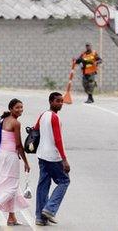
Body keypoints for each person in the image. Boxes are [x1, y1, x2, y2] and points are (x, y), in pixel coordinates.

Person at [0, 98, 31, 226]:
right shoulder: (16, 123)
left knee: (8, 183)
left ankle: (11, 218)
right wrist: (26, 162)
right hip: (11, 156)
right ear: (11, 109)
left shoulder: (5, 119)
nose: (20, 110)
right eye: (17, 107)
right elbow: (19, 145)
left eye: (21, 107)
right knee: (13, 185)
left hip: (1, 155)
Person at [33, 92, 70, 226]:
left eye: (61, 101)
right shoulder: (54, 117)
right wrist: (64, 160)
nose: (60, 104)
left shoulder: (43, 115)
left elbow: (34, 129)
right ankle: (49, 209)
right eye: (57, 101)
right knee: (64, 181)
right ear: (50, 102)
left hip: (42, 155)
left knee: (43, 185)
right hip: (53, 157)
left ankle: (40, 218)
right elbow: (58, 139)